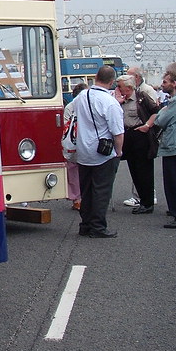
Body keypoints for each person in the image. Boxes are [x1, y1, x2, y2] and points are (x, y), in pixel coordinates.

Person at [138, 70, 176, 228]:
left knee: (174, 183)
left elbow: (161, 120)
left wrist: (162, 111)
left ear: (174, 83)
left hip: (174, 146)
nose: (162, 85)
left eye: (165, 82)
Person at [72, 64, 125, 238]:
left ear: (96, 77)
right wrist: (118, 152)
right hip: (102, 153)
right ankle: (98, 227)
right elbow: (117, 132)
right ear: (112, 82)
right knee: (101, 190)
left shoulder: (81, 96)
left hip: (83, 150)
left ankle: (85, 224)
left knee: (86, 190)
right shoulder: (110, 102)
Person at [115, 75, 157, 214]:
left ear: (129, 87)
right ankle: (141, 201)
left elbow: (156, 112)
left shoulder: (141, 97)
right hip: (127, 135)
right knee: (134, 169)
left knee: (144, 170)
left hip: (140, 134)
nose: (118, 89)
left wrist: (147, 125)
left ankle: (148, 202)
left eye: (120, 86)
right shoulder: (119, 100)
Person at [62, 82, 87, 210]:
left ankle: (84, 196)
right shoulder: (70, 107)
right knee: (73, 170)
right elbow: (66, 125)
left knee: (83, 170)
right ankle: (76, 198)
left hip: (85, 141)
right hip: (74, 141)